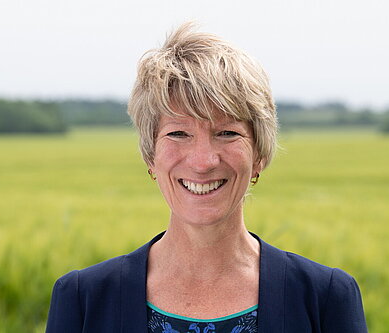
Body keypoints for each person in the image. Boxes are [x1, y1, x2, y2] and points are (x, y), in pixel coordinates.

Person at [46, 22, 368, 333]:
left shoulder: (326, 299)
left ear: (259, 155)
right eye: (179, 133)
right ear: (150, 157)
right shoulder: (82, 301)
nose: (203, 162)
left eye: (227, 132)